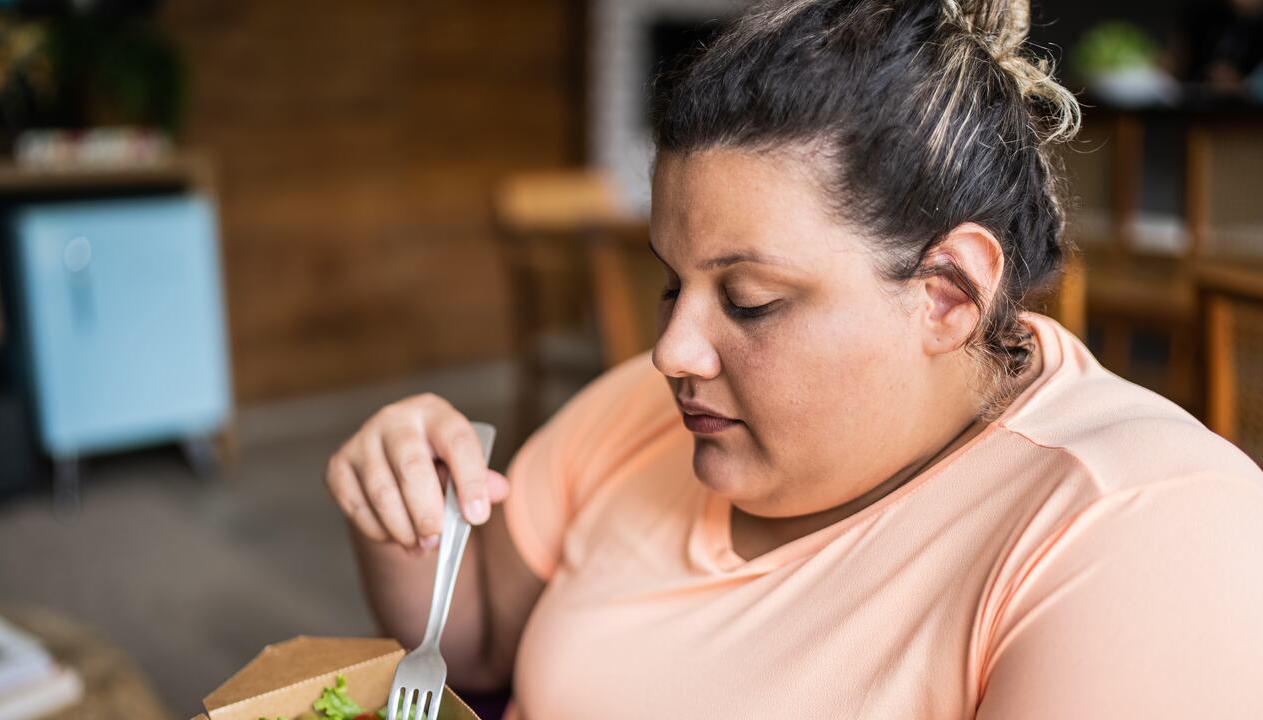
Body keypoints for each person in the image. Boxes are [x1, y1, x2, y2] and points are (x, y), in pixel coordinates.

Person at [327, 1, 1263, 717]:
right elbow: (475, 646)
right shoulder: (652, 410)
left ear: (947, 292)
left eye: (750, 302)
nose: (671, 351)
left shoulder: (1140, 531)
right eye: (671, 284)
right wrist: (409, 509)